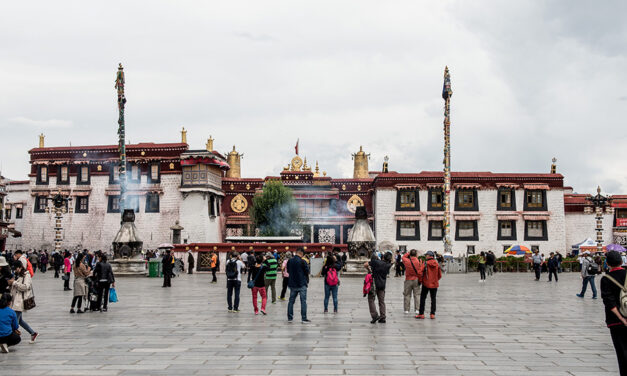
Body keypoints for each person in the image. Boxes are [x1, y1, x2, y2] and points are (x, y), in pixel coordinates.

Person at [601, 250, 627, 375]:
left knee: (622, 354)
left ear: (608, 263)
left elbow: (609, 302)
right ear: (622, 262)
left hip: (616, 322)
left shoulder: (606, 279)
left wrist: (622, 319)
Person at [9, 261, 38, 343]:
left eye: (16, 268)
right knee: (20, 320)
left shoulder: (27, 275)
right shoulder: (17, 275)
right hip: (15, 300)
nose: (15, 270)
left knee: (15, 322)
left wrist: (14, 283)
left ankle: (9, 339)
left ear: (20, 267)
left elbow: (25, 287)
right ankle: (33, 333)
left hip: (20, 301)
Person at [366, 252, 392, 324]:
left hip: (374, 284)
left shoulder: (377, 262)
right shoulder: (388, 265)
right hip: (382, 285)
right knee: (381, 301)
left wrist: (369, 269)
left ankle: (375, 315)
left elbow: (366, 264)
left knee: (371, 300)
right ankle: (383, 317)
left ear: (383, 257)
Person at [416, 251, 443, 320]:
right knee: (433, 299)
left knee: (423, 298)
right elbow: (440, 275)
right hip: (434, 284)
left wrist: (421, 280)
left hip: (426, 283)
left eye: (426, 255)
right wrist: (435, 280)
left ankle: (421, 313)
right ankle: (432, 314)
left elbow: (419, 272)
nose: (425, 256)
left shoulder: (425, 263)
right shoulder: (436, 263)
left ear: (428, 256)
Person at [286, 248, 310, 323]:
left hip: (293, 284)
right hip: (302, 283)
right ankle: (303, 318)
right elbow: (307, 272)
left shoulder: (290, 261)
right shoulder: (303, 261)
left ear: (296, 252)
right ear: (302, 253)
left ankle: (290, 318)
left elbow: (289, 271)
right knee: (303, 301)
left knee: (291, 301)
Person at [402, 249, 424, 314]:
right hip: (416, 279)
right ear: (416, 254)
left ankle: (406, 310)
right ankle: (417, 309)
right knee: (417, 295)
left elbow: (403, 257)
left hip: (408, 279)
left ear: (410, 254)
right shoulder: (419, 261)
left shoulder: (406, 261)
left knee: (407, 295)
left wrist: (408, 253)